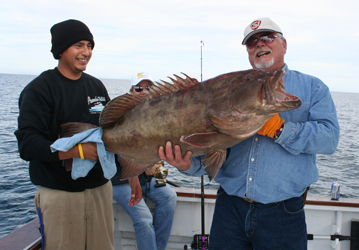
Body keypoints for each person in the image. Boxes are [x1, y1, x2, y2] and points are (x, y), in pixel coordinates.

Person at [158, 17, 340, 250]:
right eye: (251, 42)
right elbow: (211, 154)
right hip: (229, 208)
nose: (259, 45)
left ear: (284, 44)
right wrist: (185, 166)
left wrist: (280, 129)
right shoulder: (227, 89)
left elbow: (329, 139)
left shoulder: (314, 87)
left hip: (283, 213)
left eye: (266, 38)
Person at [14, 19, 114, 250]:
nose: (86, 52)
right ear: (60, 49)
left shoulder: (97, 87)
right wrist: (78, 151)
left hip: (100, 189)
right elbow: (28, 145)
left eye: (90, 46)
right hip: (61, 195)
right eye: (79, 45)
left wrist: (132, 178)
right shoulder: (39, 89)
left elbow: (112, 132)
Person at [112, 72, 177, 250]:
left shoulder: (156, 116)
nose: (144, 91)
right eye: (138, 88)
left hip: (145, 179)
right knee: (144, 218)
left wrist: (156, 164)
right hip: (120, 180)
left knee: (169, 197)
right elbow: (121, 150)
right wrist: (145, 166)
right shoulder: (122, 114)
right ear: (130, 91)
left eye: (149, 88)